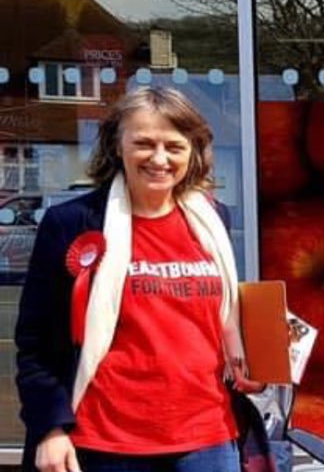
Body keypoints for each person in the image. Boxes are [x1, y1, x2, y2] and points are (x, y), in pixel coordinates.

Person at [15, 87, 253, 471]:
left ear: (193, 150)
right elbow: (36, 343)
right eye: (144, 143)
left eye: (174, 146)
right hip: (106, 444)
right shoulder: (71, 225)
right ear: (116, 145)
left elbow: (215, 326)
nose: (160, 159)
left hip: (207, 440)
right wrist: (50, 429)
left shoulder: (214, 220)